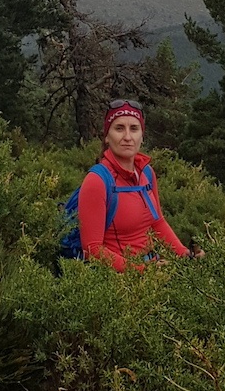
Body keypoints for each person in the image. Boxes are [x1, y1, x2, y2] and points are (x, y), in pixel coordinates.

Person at [77, 99, 191, 270]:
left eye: (134, 129)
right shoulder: (97, 181)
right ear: (107, 137)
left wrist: (185, 256)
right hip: (118, 281)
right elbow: (92, 250)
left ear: (142, 136)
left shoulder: (146, 173)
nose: (128, 137)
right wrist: (143, 271)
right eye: (119, 128)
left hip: (153, 270)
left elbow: (157, 222)